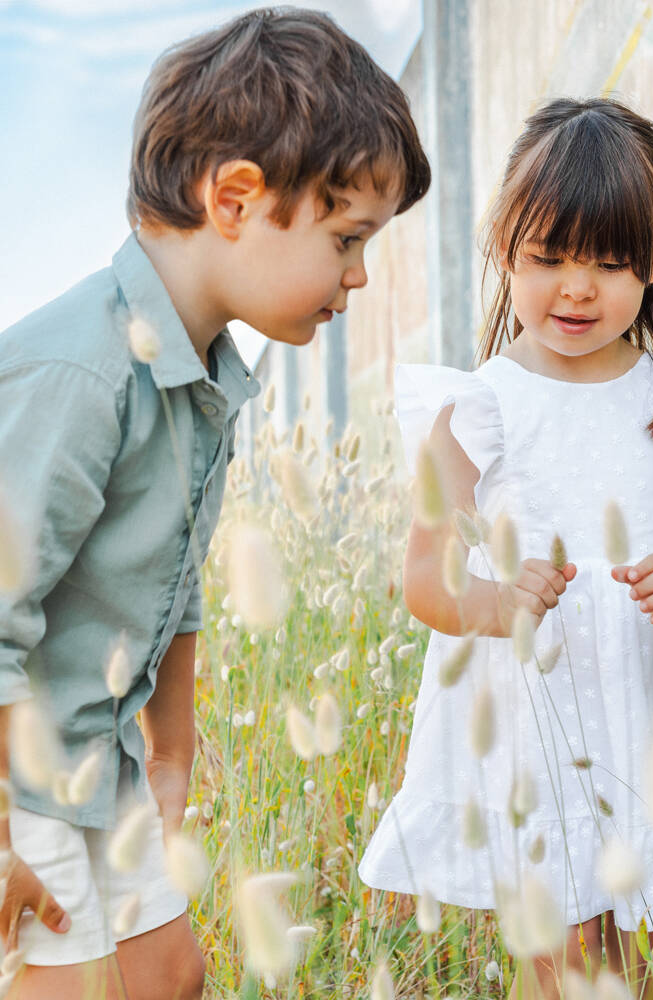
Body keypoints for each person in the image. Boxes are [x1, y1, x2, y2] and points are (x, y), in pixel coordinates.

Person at [0, 8, 429, 999]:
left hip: (93, 762)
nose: (359, 274)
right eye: (346, 237)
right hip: (24, 774)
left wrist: (173, 752)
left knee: (172, 975)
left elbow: (173, 583)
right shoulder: (84, 374)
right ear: (236, 197)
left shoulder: (200, 384)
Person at [358, 97, 653, 1000]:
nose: (577, 289)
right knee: (564, 968)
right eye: (548, 259)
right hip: (539, 723)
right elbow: (425, 581)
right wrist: (502, 603)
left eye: (610, 264)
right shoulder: (477, 410)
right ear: (506, 246)